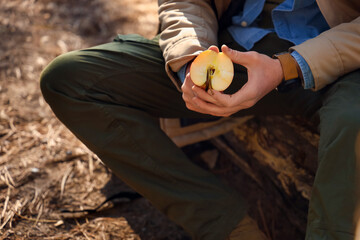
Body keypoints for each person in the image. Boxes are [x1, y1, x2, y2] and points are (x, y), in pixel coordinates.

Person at [40, 0, 360, 239]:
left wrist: (286, 66)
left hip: (339, 61)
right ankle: (227, 227)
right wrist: (191, 59)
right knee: (70, 79)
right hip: (228, 48)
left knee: (353, 117)